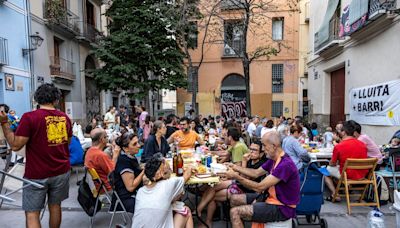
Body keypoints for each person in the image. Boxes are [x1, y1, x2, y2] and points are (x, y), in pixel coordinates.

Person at [0, 83, 72, 228]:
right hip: (61, 171)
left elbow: (15, 145)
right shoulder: (65, 118)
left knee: (32, 212)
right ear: (56, 100)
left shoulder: (29, 117)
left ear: (37, 99)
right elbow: (67, 142)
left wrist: (4, 123)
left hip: (37, 173)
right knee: (55, 206)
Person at [221, 131, 300, 227]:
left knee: (235, 212)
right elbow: (256, 173)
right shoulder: (273, 159)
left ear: (273, 146)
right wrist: (234, 166)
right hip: (270, 198)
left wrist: (236, 176)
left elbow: (259, 187)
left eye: (264, 145)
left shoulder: (285, 164)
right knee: (234, 199)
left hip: (282, 208)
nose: (263, 149)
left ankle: (243, 218)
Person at [197, 141, 267, 227]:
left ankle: (206, 220)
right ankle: (199, 210)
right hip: (239, 184)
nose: (251, 152)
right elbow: (240, 175)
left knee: (211, 196)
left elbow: (245, 180)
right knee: (212, 187)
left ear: (261, 153)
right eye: (250, 149)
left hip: (247, 189)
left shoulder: (261, 164)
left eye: (254, 150)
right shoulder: (251, 160)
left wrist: (243, 161)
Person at [132, 153, 194, 228]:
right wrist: (190, 167)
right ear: (161, 173)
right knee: (186, 210)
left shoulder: (140, 191)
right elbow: (186, 175)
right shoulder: (169, 184)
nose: (169, 168)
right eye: (168, 167)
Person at [324, 120, 368, 201]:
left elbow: (332, 163)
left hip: (347, 175)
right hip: (361, 175)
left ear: (344, 132)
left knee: (326, 171)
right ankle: (344, 189)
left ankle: (335, 194)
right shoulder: (363, 145)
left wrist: (331, 163)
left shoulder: (339, 146)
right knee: (338, 169)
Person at [112, 132, 144, 213]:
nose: (139, 146)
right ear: (126, 148)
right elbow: (130, 187)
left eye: (138, 142)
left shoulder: (130, 157)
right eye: (134, 144)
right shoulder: (124, 162)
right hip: (126, 199)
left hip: (135, 194)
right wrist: (144, 171)